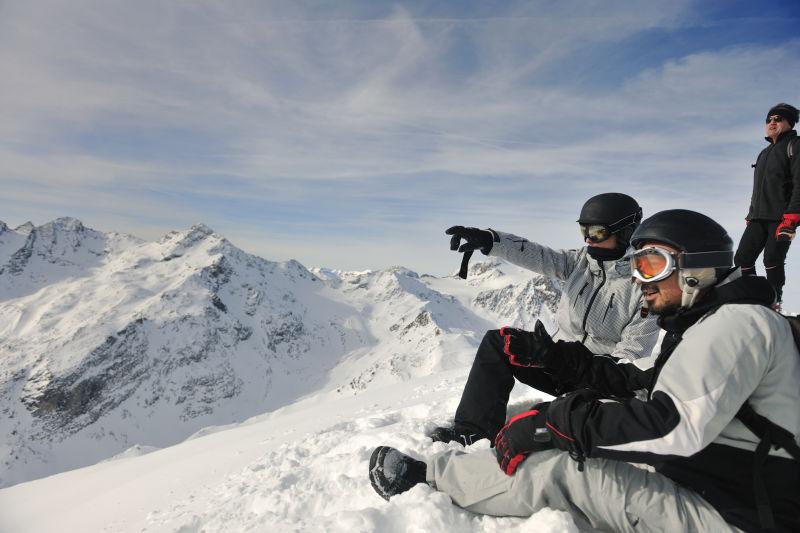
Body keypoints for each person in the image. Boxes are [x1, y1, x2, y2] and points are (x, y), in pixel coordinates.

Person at [369, 209, 800, 533]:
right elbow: (649, 390)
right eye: (637, 267)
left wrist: (556, 421)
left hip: (742, 514)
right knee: (511, 358)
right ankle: (470, 431)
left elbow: (672, 424)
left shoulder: (737, 323)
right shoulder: (709, 323)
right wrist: (491, 241)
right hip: (723, 482)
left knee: (567, 468)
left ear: (697, 265)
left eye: (650, 265)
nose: (641, 280)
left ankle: (428, 481)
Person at [431, 193, 659, 445]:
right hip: (554, 362)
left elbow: (630, 359)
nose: (587, 239)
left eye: (596, 232)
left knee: (548, 425)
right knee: (500, 342)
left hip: (596, 381)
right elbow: (537, 255)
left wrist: (576, 366)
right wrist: (491, 240)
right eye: (583, 230)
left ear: (626, 232)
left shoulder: (646, 287)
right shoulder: (581, 262)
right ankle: (473, 432)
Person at [735, 102, 800, 309]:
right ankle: (752, 297)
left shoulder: (795, 145)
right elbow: (759, 188)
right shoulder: (764, 153)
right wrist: (750, 213)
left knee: (772, 258)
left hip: (782, 217)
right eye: (769, 119)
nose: (772, 122)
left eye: (778, 119)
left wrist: (792, 217)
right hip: (758, 217)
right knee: (742, 258)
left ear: (789, 123)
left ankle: (773, 301)